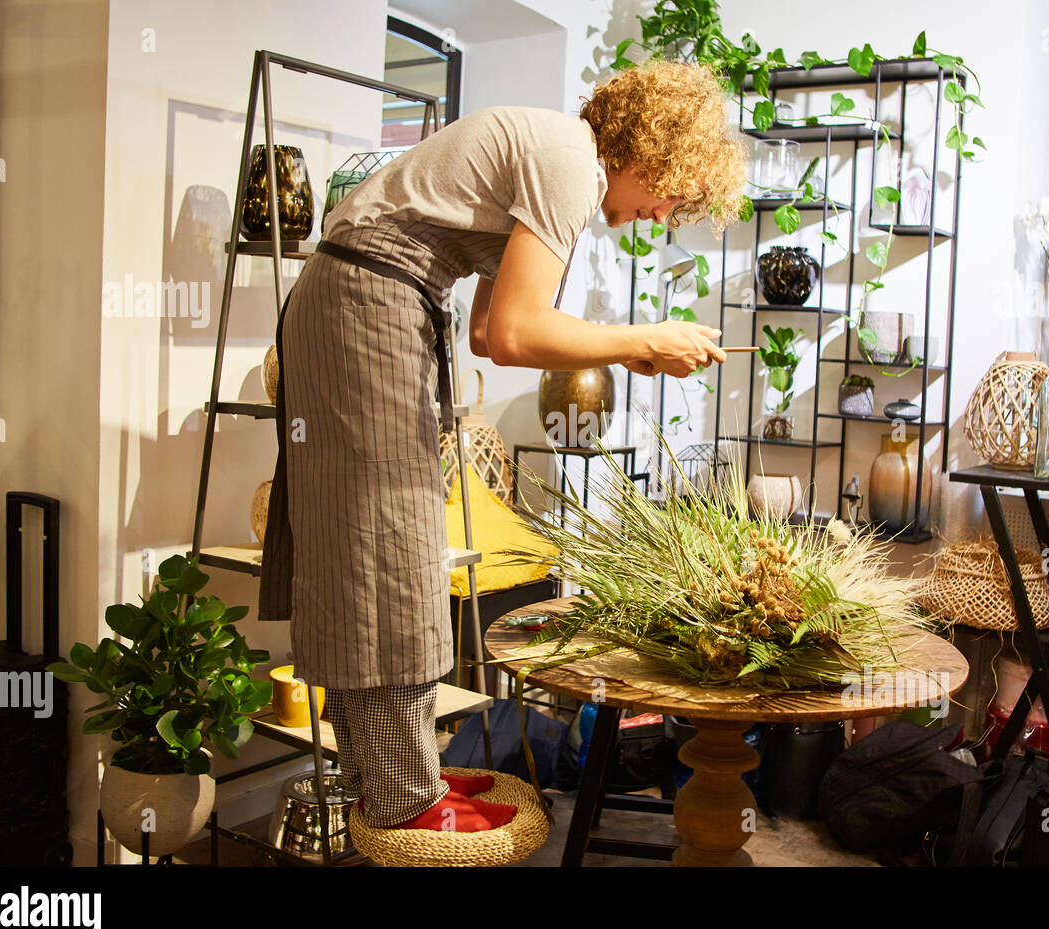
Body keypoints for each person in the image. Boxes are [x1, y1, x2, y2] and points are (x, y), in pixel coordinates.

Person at [259, 60, 746, 832]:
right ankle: (404, 799)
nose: (661, 215)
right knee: (391, 545)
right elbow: (518, 333)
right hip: (367, 301)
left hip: (357, 297)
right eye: (671, 198)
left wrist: (630, 348)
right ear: (655, 155)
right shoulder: (567, 163)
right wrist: (639, 337)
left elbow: (492, 331)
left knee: (372, 541)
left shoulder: (553, 155)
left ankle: (387, 781)